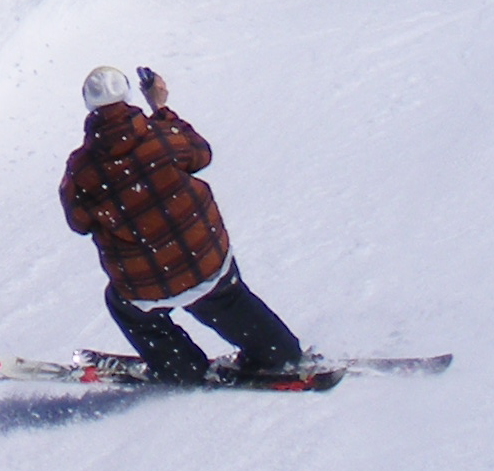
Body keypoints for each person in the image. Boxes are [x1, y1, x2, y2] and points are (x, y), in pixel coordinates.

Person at [58, 64, 307, 381]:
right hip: (204, 260)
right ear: (128, 94)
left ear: (88, 105)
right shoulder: (161, 136)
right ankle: (279, 354)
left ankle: (181, 367)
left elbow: (79, 222)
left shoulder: (81, 169)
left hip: (144, 282)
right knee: (223, 298)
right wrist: (160, 108)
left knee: (125, 306)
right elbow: (201, 153)